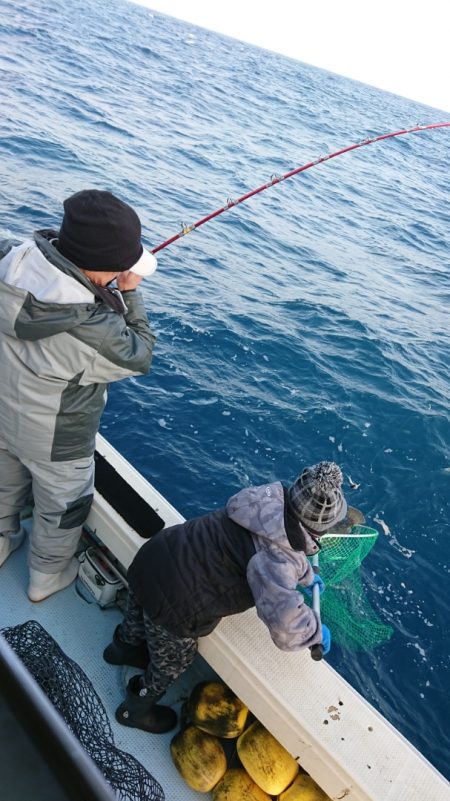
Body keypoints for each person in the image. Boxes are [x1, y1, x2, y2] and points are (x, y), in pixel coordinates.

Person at [103, 460, 347, 734]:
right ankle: (134, 710)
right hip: (175, 603)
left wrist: (305, 575)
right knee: (173, 662)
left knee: (139, 606)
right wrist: (313, 633)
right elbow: (284, 623)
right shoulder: (276, 562)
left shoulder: (264, 499)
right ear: (318, 529)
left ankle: (121, 649)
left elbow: (279, 539)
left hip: (154, 556)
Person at [0, 189, 156, 602]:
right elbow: (139, 355)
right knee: (62, 508)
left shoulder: (8, 258)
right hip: (56, 439)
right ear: (104, 267)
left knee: (2, 483)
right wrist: (130, 292)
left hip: (2, 411)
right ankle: (45, 578)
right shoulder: (97, 329)